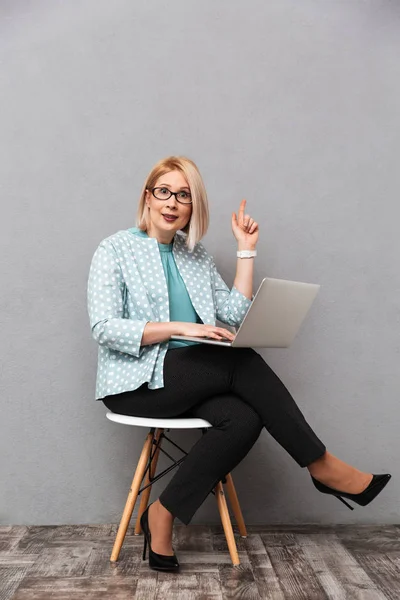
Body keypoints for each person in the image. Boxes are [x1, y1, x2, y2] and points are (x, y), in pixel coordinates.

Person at [87, 155, 391, 572]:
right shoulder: (115, 249)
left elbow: (232, 314)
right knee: (239, 363)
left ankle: (163, 513)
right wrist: (183, 328)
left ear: (193, 208)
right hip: (137, 384)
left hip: (189, 379)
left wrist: (245, 253)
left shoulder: (195, 256)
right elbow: (104, 327)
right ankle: (322, 465)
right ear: (147, 196)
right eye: (164, 192)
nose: (172, 203)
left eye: (184, 196)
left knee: (243, 418)